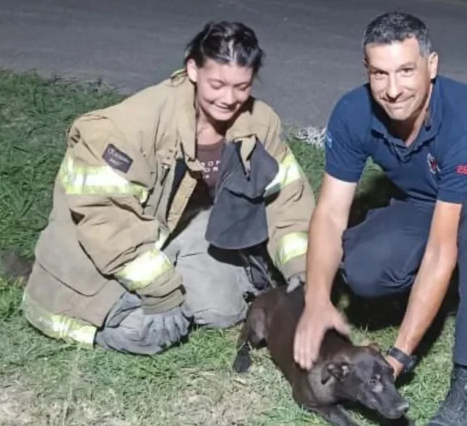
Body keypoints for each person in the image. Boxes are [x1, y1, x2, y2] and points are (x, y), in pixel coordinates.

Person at [292, 11, 467, 426]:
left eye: (405, 71)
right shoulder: (353, 112)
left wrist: (398, 353)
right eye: (379, 73)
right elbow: (329, 214)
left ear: (431, 65)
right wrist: (317, 299)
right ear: (367, 71)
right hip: (426, 202)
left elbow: (442, 249)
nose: (393, 89)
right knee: (361, 268)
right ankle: (436, 294)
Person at [21, 21, 315, 355]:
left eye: (241, 87)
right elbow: (105, 222)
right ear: (192, 68)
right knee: (150, 333)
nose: (229, 98)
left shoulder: (260, 123)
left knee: (222, 311)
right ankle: (101, 321)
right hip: (96, 248)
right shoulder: (125, 128)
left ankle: (177, 278)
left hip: (180, 228)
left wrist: (302, 270)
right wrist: (161, 290)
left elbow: (287, 202)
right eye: (217, 84)